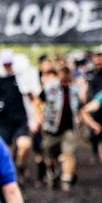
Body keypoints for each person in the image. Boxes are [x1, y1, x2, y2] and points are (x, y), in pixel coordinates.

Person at [36, 60, 85, 190]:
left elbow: (79, 106)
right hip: (51, 128)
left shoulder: (74, 90)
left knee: (68, 153)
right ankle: (52, 174)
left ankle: (66, 181)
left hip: (69, 127)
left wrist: (80, 117)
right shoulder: (49, 89)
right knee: (50, 155)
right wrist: (39, 116)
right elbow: (38, 102)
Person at [0, 51, 34, 169]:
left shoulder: (20, 75)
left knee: (24, 145)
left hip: (20, 117)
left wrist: (36, 116)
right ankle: (11, 174)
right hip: (3, 119)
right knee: (5, 151)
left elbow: (31, 96)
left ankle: (21, 165)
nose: (8, 66)